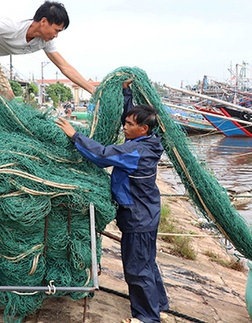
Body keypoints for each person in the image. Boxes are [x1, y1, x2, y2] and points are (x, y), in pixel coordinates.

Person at [55, 83, 169, 323]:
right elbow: (132, 119)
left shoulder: (135, 151)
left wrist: (75, 136)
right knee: (147, 261)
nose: (124, 126)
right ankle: (158, 303)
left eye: (129, 125)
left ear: (143, 129)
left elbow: (103, 156)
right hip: (148, 212)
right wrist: (126, 93)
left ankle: (147, 317)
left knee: (137, 268)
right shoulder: (150, 141)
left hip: (137, 216)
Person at [0, 1, 95, 99]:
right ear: (43, 22)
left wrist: (92, 90)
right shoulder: (13, 25)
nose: (56, 35)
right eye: (56, 30)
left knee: (8, 98)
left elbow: (65, 67)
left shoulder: (45, 41)